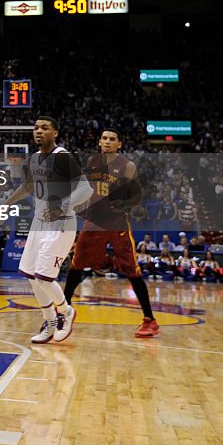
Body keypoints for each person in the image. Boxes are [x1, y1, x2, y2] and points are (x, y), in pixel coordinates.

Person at [4, 117, 92, 346]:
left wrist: (63, 205)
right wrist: (6, 202)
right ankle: (49, 320)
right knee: (31, 276)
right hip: (39, 222)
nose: (39, 131)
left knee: (44, 277)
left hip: (61, 223)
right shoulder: (34, 159)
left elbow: (85, 189)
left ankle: (66, 312)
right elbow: (29, 187)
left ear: (55, 133)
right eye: (35, 128)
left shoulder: (62, 156)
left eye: (45, 128)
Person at [63, 129, 159, 338]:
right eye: (104, 138)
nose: (107, 141)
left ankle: (150, 320)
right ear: (99, 142)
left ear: (119, 144)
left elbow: (137, 195)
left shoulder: (128, 166)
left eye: (112, 139)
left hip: (117, 223)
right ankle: (63, 312)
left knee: (132, 270)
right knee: (77, 265)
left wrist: (124, 204)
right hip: (94, 221)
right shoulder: (92, 161)